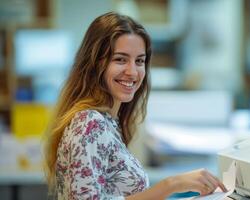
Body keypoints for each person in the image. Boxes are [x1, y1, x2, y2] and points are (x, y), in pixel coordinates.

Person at [44, 12, 227, 200]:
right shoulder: (89, 123)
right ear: (95, 64)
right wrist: (171, 184)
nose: (132, 72)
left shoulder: (108, 122)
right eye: (120, 59)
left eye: (139, 61)